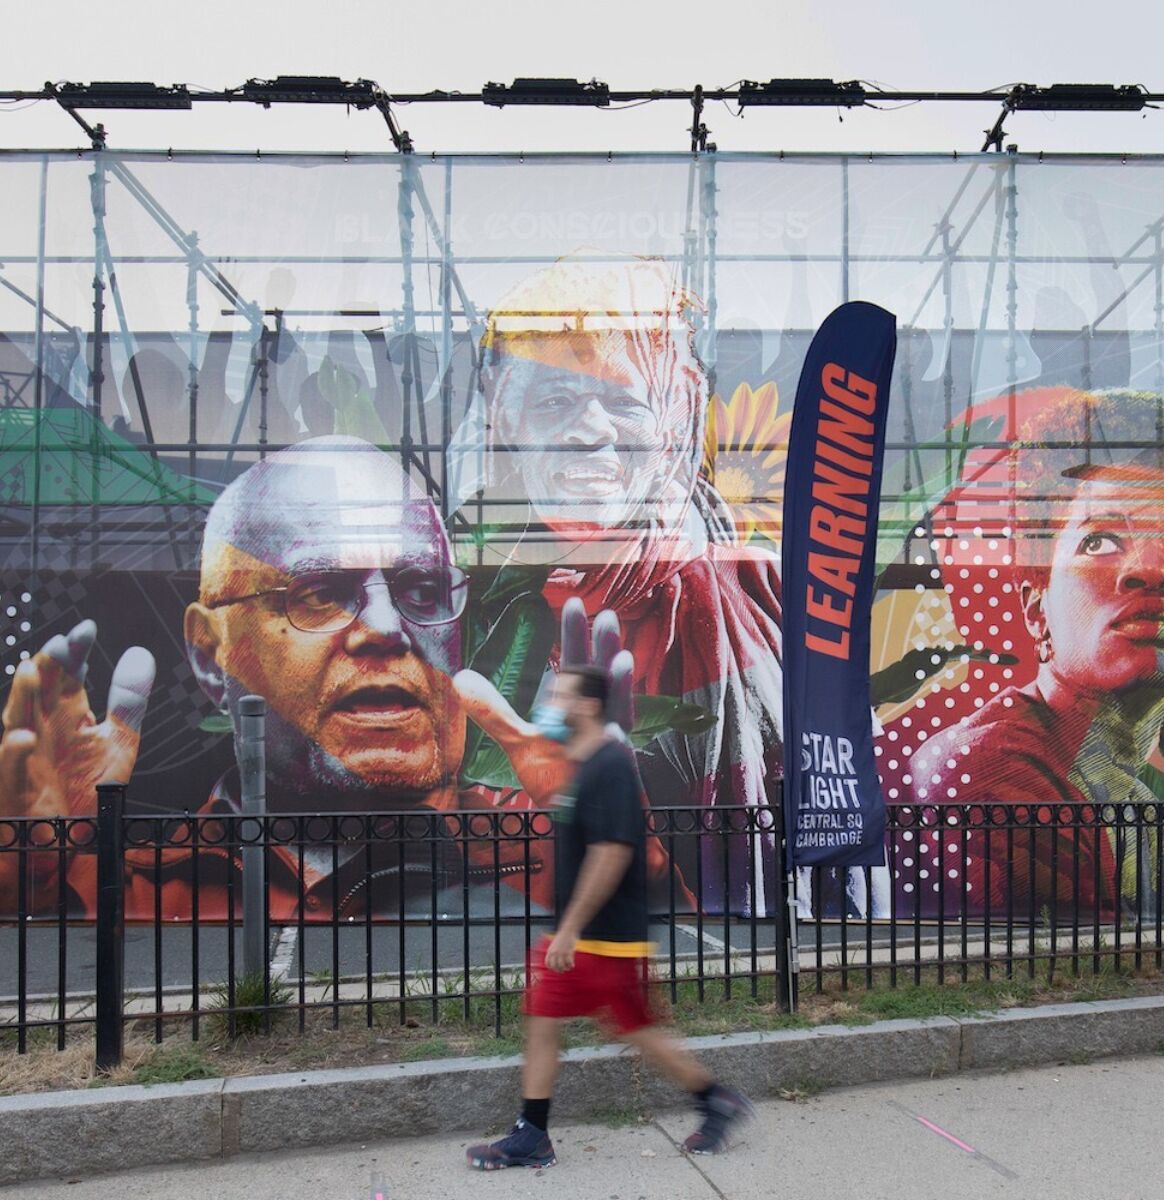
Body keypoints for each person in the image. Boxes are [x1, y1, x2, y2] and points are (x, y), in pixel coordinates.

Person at [0, 435, 683, 920]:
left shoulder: (534, 843)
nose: (385, 628)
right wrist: (29, 870)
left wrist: (611, 827)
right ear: (211, 654)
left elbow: (664, 943)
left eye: (420, 588)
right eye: (320, 592)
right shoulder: (123, 880)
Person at [463, 256, 803, 916]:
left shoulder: (745, 592)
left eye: (623, 401)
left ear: (670, 425)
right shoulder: (458, 591)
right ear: (508, 423)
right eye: (556, 401)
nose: (590, 431)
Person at [905, 387, 1164, 920]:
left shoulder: (1127, 801)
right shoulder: (987, 772)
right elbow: (1070, 971)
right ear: (1036, 608)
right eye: (1102, 540)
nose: (1155, 570)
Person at [466, 664, 754, 1170]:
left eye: (562, 696)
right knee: (568, 1020)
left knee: (623, 1028)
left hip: (605, 938)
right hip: (592, 935)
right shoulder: (584, 764)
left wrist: (571, 929)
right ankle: (536, 1131)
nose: (552, 705)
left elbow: (612, 852)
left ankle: (712, 1100)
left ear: (589, 705)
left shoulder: (611, 765)